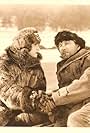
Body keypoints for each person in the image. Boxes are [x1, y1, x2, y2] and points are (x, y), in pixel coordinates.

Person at [38, 30, 90, 127]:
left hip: (85, 102)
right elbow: (68, 88)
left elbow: (85, 85)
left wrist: (55, 98)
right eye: (60, 45)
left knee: (76, 119)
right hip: (74, 103)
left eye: (67, 43)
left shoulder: (87, 58)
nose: (63, 48)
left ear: (78, 46)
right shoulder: (63, 66)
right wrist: (51, 95)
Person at [0, 27, 49, 126]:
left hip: (26, 113)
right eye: (35, 45)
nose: (38, 48)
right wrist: (33, 99)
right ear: (24, 46)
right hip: (4, 114)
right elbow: (7, 92)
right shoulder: (5, 63)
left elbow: (40, 90)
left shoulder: (35, 67)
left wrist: (43, 100)